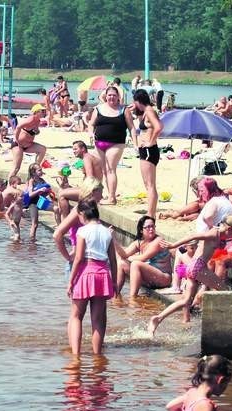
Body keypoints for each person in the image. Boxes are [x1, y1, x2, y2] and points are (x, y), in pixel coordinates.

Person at [148, 215, 232, 334]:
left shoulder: (218, 234)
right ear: (230, 229)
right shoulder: (213, 234)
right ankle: (224, 324)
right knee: (224, 290)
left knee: (186, 301)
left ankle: (158, 318)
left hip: (192, 267)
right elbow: (193, 236)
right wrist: (173, 245)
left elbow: (213, 245)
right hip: (198, 267)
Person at [66, 199, 117, 355]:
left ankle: (76, 356)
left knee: (76, 316)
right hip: (102, 275)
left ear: (82, 213)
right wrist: (114, 282)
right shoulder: (107, 232)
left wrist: (70, 281)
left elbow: (79, 257)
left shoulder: (83, 231)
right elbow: (113, 260)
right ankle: (97, 356)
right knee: (98, 321)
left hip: (86, 272)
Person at [88, 86, 137, 205]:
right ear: (105, 96)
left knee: (110, 169)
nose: (111, 97)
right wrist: (90, 134)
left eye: (114, 95)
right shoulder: (98, 109)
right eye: (109, 95)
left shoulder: (124, 110)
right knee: (102, 170)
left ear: (118, 97)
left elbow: (131, 127)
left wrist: (135, 143)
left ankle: (112, 198)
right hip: (99, 142)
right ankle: (101, 195)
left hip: (116, 143)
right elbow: (91, 124)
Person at [113, 215, 172, 298]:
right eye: (148, 227)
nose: (151, 229)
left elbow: (143, 258)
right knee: (121, 263)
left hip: (163, 278)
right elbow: (124, 254)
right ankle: (116, 294)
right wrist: (113, 240)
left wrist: (129, 258)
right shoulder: (140, 242)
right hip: (150, 277)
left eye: (152, 226)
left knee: (136, 264)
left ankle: (132, 298)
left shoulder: (158, 241)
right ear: (141, 230)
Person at [133, 89, 163, 218]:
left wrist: (151, 141)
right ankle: (150, 211)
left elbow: (159, 127)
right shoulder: (145, 112)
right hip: (144, 150)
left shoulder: (150, 111)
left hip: (149, 150)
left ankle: (151, 214)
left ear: (138, 101)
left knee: (150, 185)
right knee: (147, 184)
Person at [58, 140, 104, 219]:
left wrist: (85, 191)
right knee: (65, 189)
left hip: (92, 191)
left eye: (75, 149)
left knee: (61, 194)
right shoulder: (89, 157)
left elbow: (90, 177)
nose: (74, 151)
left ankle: (65, 223)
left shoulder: (86, 158)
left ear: (83, 149)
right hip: (96, 189)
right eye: (73, 149)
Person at [9, 104, 47, 179]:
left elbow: (35, 131)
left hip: (28, 145)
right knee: (16, 168)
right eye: (42, 111)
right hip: (18, 145)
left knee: (42, 149)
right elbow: (18, 127)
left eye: (44, 111)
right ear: (36, 112)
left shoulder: (38, 121)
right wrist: (17, 139)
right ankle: (9, 186)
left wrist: (37, 132)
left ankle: (35, 169)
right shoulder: (30, 119)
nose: (44, 112)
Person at [25, 162, 60, 241]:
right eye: (39, 170)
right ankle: (32, 241)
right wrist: (39, 190)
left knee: (56, 209)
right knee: (35, 224)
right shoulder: (31, 181)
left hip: (40, 201)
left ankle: (59, 229)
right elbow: (30, 195)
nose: (41, 171)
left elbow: (46, 193)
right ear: (33, 172)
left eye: (41, 170)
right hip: (32, 203)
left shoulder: (42, 180)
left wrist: (48, 192)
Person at [3, 176, 23, 241]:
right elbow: (6, 214)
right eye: (18, 184)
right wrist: (10, 221)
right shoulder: (14, 203)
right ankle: (14, 248)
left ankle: (16, 247)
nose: (19, 185)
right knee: (16, 235)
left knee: (17, 235)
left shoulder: (18, 203)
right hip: (13, 221)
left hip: (16, 221)